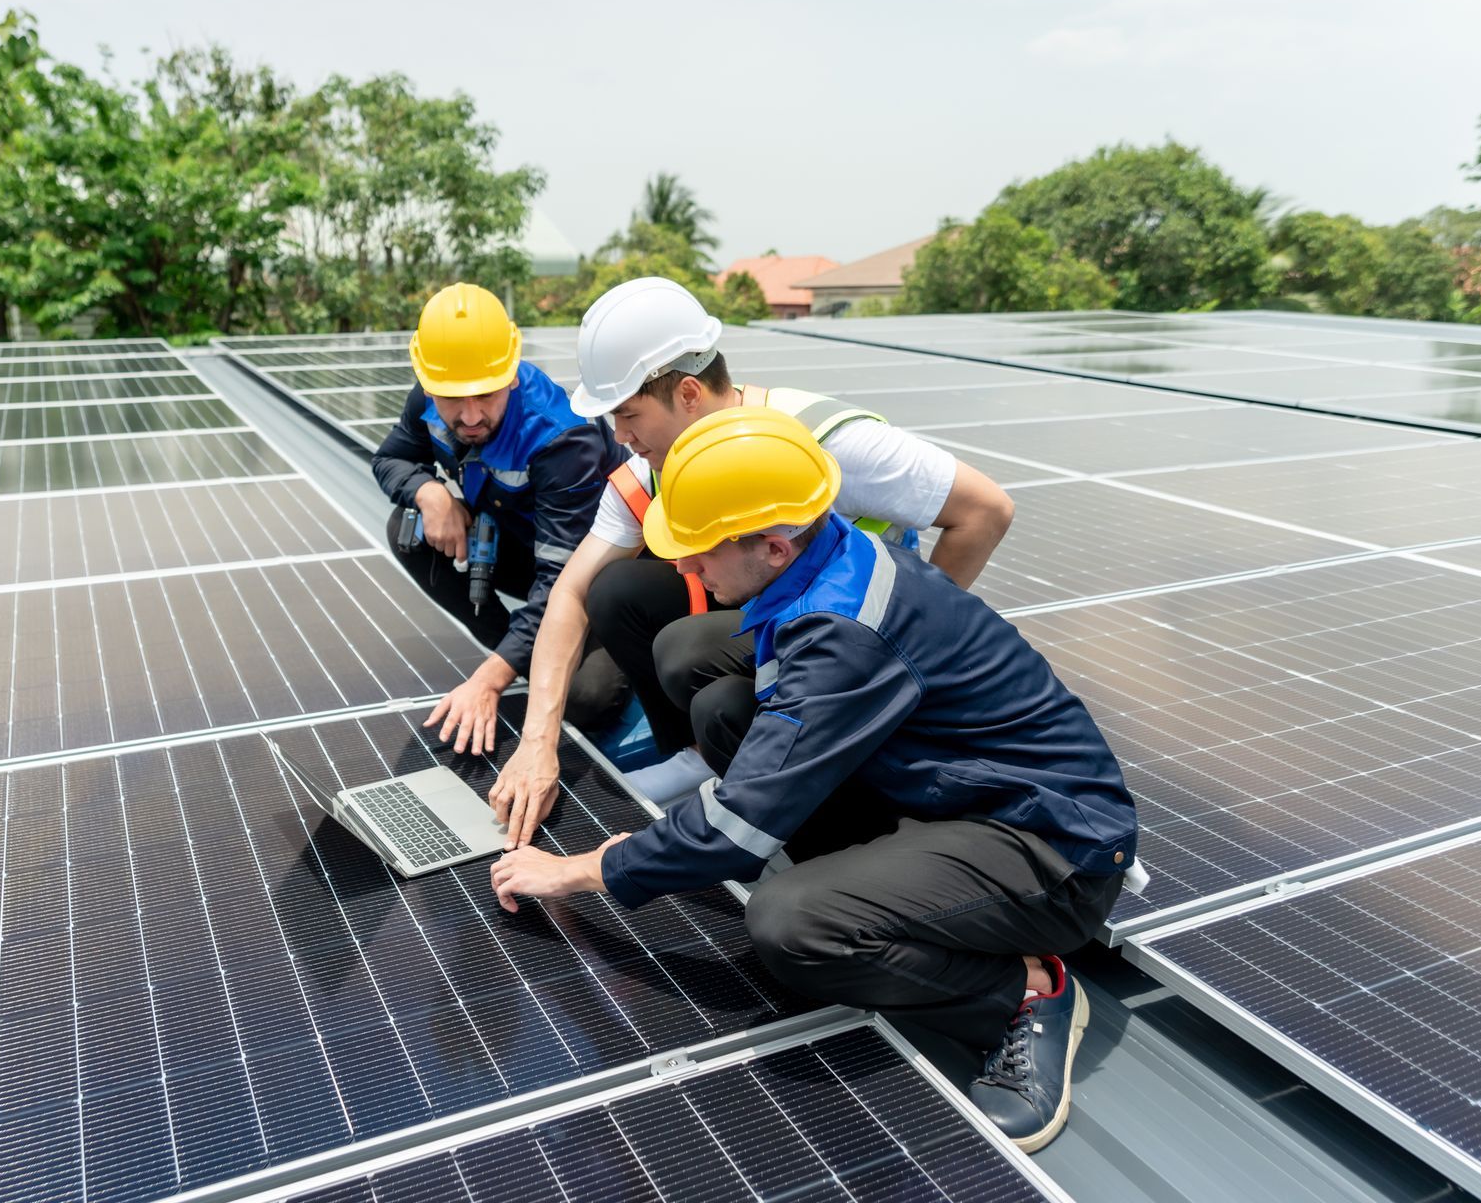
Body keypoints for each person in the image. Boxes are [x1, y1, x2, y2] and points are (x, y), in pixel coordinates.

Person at [489, 406, 1138, 1153]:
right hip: (955, 793)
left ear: (770, 544)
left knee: (791, 924)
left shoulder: (840, 631)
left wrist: (580, 870)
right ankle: (883, 892)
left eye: (698, 551)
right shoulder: (824, 556)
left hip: (1052, 852)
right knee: (729, 705)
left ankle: (1023, 996)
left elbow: (736, 829)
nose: (682, 569)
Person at [490, 276, 1015, 844]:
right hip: (772, 619)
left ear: (689, 394)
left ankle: (814, 812)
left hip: (850, 632)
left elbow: (986, 511)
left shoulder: (822, 441)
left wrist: (905, 655)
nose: (620, 437)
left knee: (708, 684)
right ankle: (696, 755)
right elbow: (571, 591)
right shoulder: (653, 466)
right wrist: (536, 744)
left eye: (630, 415)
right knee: (617, 591)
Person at [372, 282, 629, 752]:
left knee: (587, 699)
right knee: (408, 530)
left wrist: (490, 681)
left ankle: (519, 662)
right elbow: (389, 460)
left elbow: (561, 580)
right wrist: (429, 492)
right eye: (452, 398)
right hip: (523, 548)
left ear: (511, 376)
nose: (469, 415)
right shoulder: (429, 396)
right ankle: (511, 651)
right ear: (429, 384)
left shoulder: (561, 438)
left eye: (486, 395)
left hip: (596, 576)